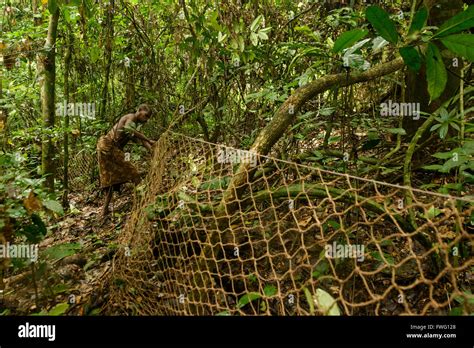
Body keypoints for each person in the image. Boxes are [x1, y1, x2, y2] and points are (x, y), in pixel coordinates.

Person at [97, 104, 155, 217]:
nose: (146, 119)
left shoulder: (135, 125)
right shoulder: (131, 117)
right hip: (108, 146)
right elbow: (129, 129)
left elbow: (141, 140)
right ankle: (143, 202)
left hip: (109, 148)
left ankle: (104, 210)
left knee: (111, 180)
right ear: (139, 110)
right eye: (146, 115)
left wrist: (152, 149)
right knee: (134, 173)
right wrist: (148, 139)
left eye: (148, 118)